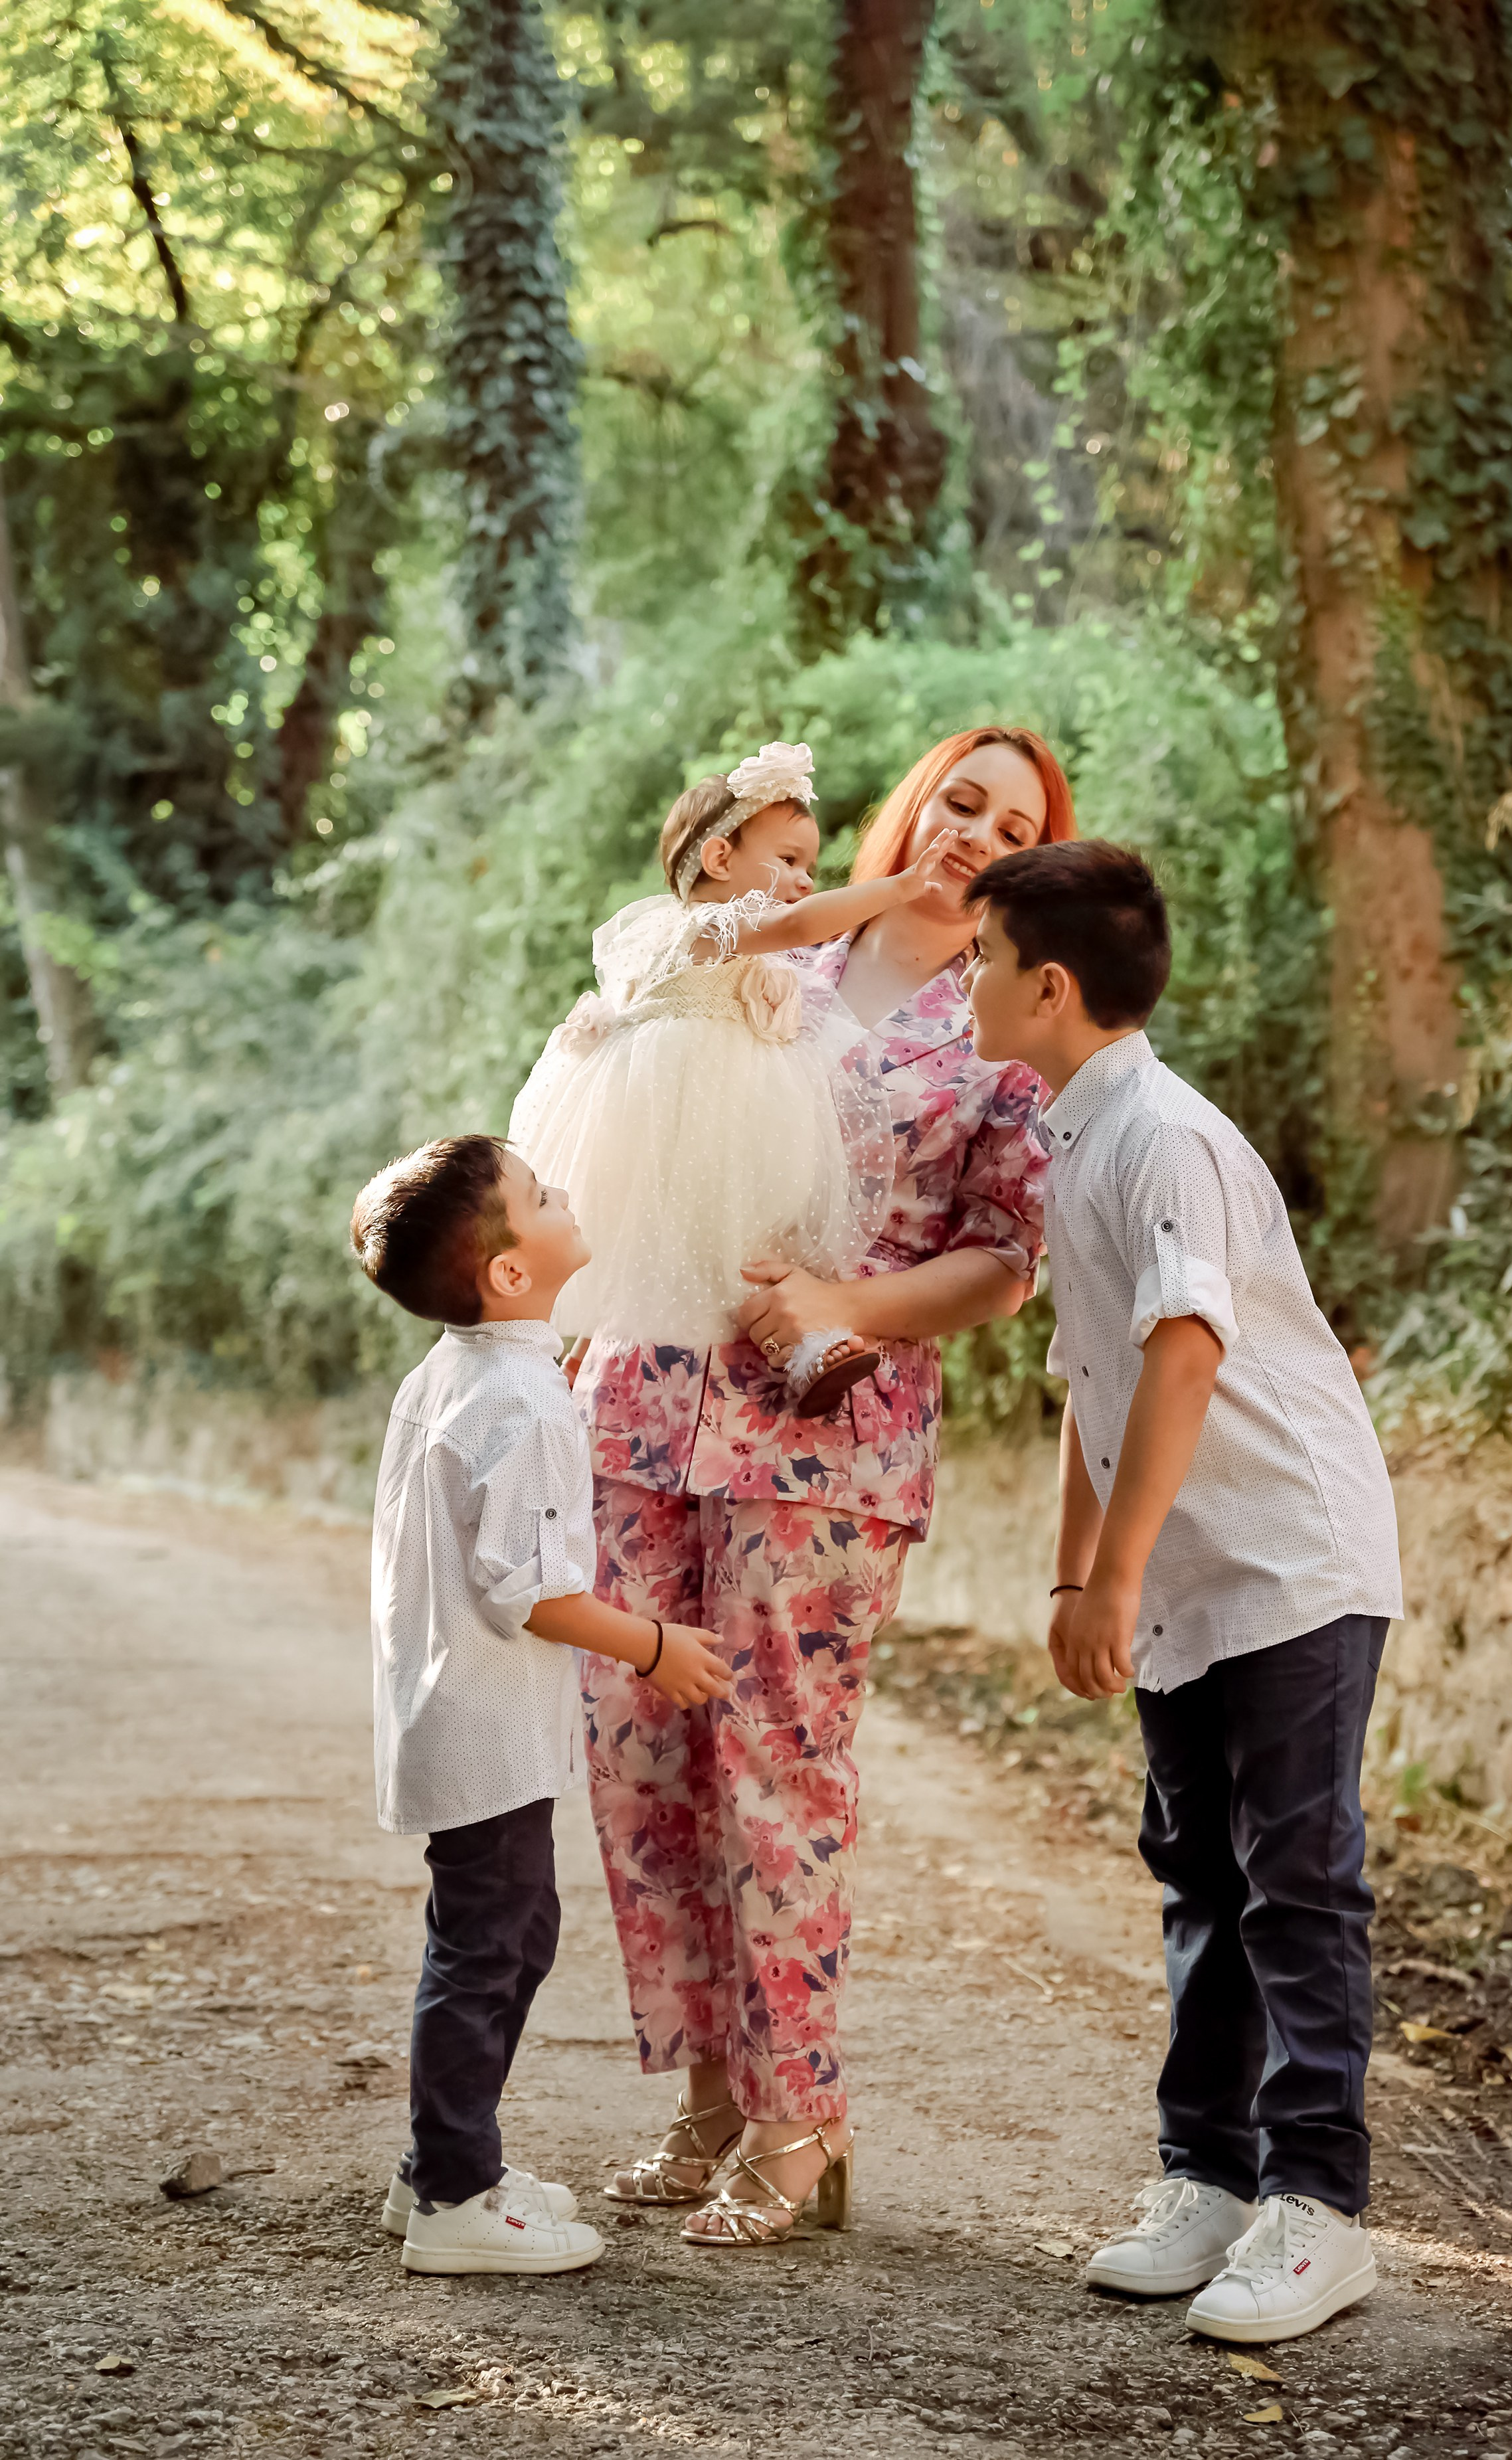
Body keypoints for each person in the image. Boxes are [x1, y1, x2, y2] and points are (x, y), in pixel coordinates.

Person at [572, 727, 1072, 2247]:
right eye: (959, 799)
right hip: (647, 1401)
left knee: (775, 1769)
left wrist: (843, 1306)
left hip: (825, 1440)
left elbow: (1006, 1258)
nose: (975, 831)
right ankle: (706, 2099)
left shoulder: (1007, 1022)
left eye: (1013, 824)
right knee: (644, 1764)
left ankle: (801, 2122)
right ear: (910, 804)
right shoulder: (770, 950)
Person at [963, 840, 1402, 2345]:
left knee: (1297, 1880)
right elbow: (1091, 1374)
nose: (966, 983)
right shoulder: (1077, 1136)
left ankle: (1319, 2205)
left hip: (1288, 1558)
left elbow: (1187, 1353)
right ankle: (1208, 2175)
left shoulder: (1164, 1138)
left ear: (1049, 987)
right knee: (1200, 1874)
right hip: (1188, 1578)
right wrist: (1076, 1570)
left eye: (978, 958)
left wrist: (1115, 1573)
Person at [349, 1134, 732, 2275]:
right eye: (539, 1193)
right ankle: (454, 2198)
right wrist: (656, 1645)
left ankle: (440, 2163)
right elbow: (535, 1591)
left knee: (507, 1936)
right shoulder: (520, 1397)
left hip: (462, 1713)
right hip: (485, 1728)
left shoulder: (460, 1371)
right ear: (511, 1270)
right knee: (487, 1949)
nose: (563, 1193)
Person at [509, 741, 962, 1417]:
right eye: (789, 860)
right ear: (720, 859)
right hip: (691, 1110)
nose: (804, 880)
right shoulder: (702, 928)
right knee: (721, 1234)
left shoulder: (743, 945)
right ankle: (766, 1346)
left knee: (753, 1237)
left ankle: (799, 1345)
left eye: (810, 867)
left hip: (733, 1107)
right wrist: (898, 889)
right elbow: (798, 923)